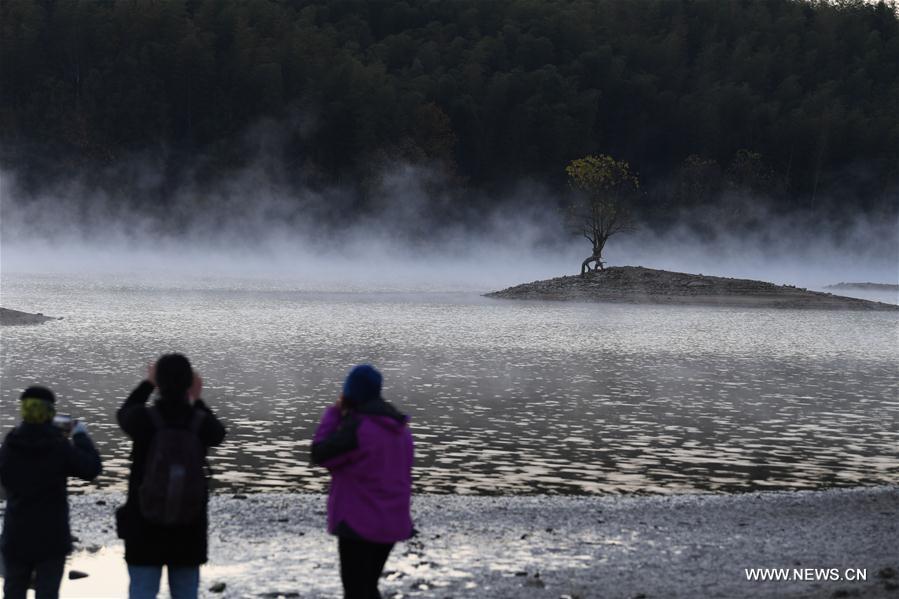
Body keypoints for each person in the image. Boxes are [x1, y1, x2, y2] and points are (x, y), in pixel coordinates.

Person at [116, 354, 226, 599]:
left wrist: (147, 384)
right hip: (189, 525)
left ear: (159, 382)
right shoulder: (199, 421)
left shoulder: (144, 419)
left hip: (144, 523)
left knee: (142, 592)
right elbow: (218, 433)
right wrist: (196, 399)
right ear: (189, 382)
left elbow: (124, 413)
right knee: (185, 593)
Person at [311, 364, 414, 599]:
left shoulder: (357, 428)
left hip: (357, 524)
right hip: (393, 523)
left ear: (350, 392)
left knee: (355, 590)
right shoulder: (401, 430)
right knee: (368, 586)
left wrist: (333, 414)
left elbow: (321, 454)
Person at [0, 385, 102, 599]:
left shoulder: (10, 444)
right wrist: (80, 436)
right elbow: (91, 468)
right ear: (50, 412)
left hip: (16, 535)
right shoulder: (59, 446)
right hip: (52, 537)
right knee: (48, 593)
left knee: (13, 592)